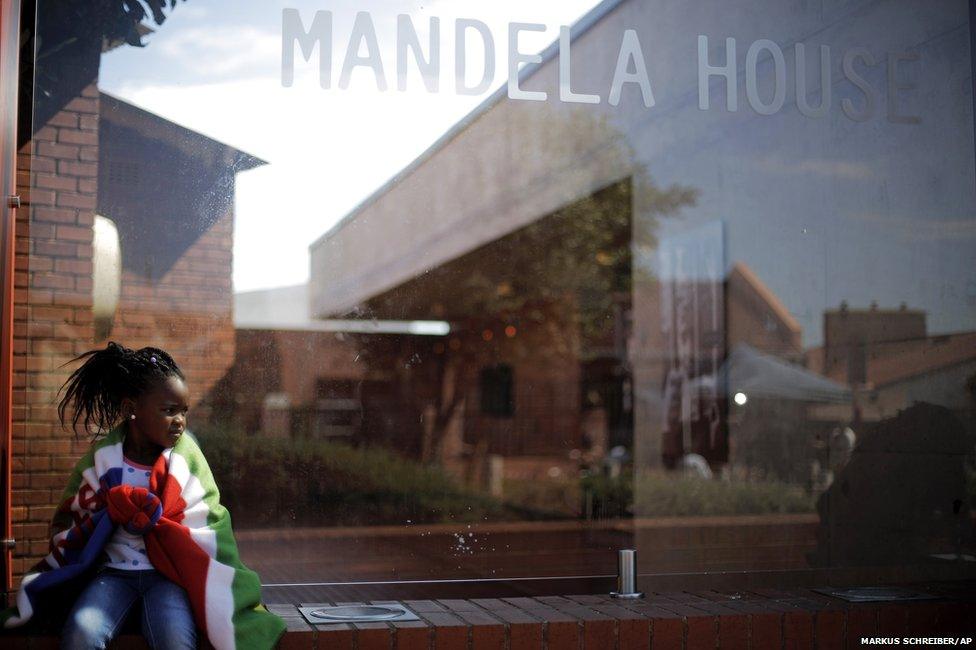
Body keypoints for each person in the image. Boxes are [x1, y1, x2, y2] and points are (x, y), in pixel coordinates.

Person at [1, 342, 285, 650]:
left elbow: (208, 524)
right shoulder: (102, 459)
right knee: (82, 632)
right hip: (113, 575)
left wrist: (155, 519)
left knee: (175, 639)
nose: (179, 421)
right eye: (168, 410)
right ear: (131, 409)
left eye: (183, 411)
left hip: (166, 579)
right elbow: (73, 518)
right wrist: (112, 512)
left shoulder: (187, 461)